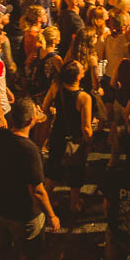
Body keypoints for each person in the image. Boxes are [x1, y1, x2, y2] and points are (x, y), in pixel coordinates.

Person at [0, 97, 59, 260]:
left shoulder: (1, 137)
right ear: (30, 120)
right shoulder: (30, 150)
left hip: (0, 206)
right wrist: (51, 215)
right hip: (23, 212)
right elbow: (37, 190)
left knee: (0, 246)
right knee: (29, 253)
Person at [42, 60, 93, 216]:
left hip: (58, 134)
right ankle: (74, 203)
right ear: (77, 77)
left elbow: (45, 107)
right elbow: (86, 127)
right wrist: (89, 141)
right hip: (75, 140)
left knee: (53, 169)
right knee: (76, 171)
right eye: (81, 69)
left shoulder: (56, 87)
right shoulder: (84, 97)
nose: (84, 70)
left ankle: (46, 200)